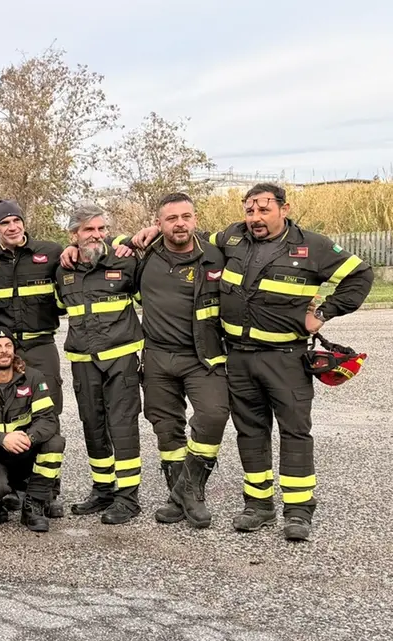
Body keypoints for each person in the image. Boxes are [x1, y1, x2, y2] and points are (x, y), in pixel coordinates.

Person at [129, 183, 373, 540]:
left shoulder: (313, 246)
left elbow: (361, 275)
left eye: (264, 210)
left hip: (286, 358)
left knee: (294, 432)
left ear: (284, 209)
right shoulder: (231, 238)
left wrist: (323, 313)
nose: (255, 217)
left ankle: (298, 511)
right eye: (249, 210)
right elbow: (188, 235)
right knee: (251, 432)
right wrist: (149, 232)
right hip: (240, 357)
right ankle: (258, 505)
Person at [122, 193, 229, 528]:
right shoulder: (145, 253)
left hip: (203, 356)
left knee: (213, 415)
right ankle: (180, 494)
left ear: (195, 219)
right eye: (171, 219)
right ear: (158, 224)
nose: (180, 224)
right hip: (158, 356)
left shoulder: (216, 254)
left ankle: (188, 491)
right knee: (166, 428)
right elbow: (104, 245)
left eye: (186, 217)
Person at [0, 199, 74, 518]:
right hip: (5, 351)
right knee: (4, 412)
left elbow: (82, 251)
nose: (12, 227)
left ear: (24, 222)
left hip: (41, 345)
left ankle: (47, 491)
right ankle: (11, 485)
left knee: (47, 414)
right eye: (4, 223)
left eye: (16, 220)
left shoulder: (51, 252)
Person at [54, 203, 145, 525]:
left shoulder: (124, 260)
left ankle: (128, 497)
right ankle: (103, 489)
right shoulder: (62, 270)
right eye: (89, 229)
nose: (97, 235)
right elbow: (58, 306)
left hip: (120, 357)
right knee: (92, 426)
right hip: (83, 360)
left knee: (122, 425)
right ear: (74, 235)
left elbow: (147, 294)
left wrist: (130, 240)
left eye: (101, 228)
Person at [0, 327, 65, 532]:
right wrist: (2, 438)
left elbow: (47, 419)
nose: (4, 351)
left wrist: (29, 438)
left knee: (55, 442)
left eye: (8, 345)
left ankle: (33, 505)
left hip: (24, 450)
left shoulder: (33, 377)